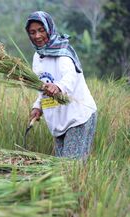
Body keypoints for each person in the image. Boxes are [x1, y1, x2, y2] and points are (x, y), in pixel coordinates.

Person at [25, 11, 97, 160]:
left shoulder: (62, 52)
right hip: (58, 122)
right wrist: (38, 106)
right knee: (62, 168)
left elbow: (70, 78)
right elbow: (42, 86)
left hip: (77, 117)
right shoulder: (38, 56)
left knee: (70, 169)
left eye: (41, 30)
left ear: (49, 29)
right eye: (32, 32)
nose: (37, 36)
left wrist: (58, 87)